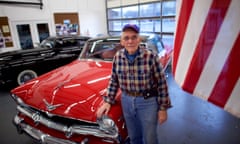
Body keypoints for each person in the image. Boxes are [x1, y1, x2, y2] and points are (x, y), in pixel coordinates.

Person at [96, 24, 172, 144]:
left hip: (148, 102)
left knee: (150, 138)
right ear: (122, 41)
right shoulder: (118, 57)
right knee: (133, 137)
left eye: (134, 37)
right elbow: (114, 80)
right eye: (126, 38)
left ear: (139, 39)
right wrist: (108, 101)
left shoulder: (151, 57)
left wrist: (163, 108)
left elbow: (161, 84)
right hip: (126, 101)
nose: (130, 41)